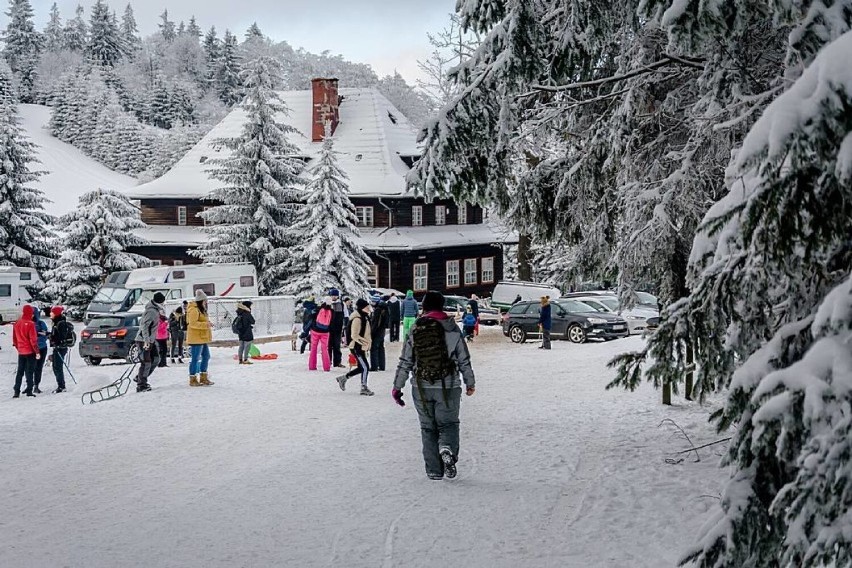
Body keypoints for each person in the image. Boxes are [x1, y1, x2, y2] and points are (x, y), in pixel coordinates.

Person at [392, 291, 475, 480]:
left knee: (427, 427)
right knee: (448, 424)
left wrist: (397, 387)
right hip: (448, 386)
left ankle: (433, 470)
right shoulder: (452, 328)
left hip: (421, 386)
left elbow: (406, 360)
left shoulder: (416, 328)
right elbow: (464, 359)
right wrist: (470, 382)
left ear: (425, 306)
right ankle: (446, 448)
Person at [335, 298, 374, 395]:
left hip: (360, 346)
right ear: (361, 308)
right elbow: (354, 335)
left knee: (362, 367)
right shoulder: (357, 319)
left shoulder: (364, 317)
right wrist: (365, 342)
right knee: (365, 367)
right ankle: (364, 387)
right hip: (357, 347)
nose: (369, 308)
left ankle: (343, 378)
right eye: (366, 307)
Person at [134, 292, 165, 392]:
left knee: (156, 359)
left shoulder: (156, 310)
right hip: (143, 340)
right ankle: (141, 385)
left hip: (151, 340)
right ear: (159, 302)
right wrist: (146, 341)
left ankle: (140, 377)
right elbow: (145, 326)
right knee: (146, 362)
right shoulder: (151, 311)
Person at [187, 289, 214, 387]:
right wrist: (205, 324)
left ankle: (203, 376)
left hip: (202, 337)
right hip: (196, 338)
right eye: (205, 300)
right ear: (201, 300)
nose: (206, 302)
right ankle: (192, 378)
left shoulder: (201, 310)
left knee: (206, 356)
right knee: (195, 358)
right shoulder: (194, 310)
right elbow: (192, 323)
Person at [12, 304, 40, 398]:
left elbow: (14, 339)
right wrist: (37, 352)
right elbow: (33, 340)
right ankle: (29, 390)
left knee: (20, 371)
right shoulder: (31, 324)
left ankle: (16, 390)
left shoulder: (17, 323)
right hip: (30, 352)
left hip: (21, 352)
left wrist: (19, 348)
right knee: (29, 371)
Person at [48, 306, 73, 393]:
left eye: (52, 313)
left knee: (58, 367)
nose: (50, 314)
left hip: (60, 348)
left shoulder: (60, 323)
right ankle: (60, 385)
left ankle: (61, 386)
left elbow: (61, 337)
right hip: (58, 347)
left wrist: (53, 339)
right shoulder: (57, 322)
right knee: (56, 366)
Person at [309, 297, 333, 371]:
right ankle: (326, 367)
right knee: (325, 349)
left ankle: (312, 366)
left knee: (313, 348)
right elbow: (332, 322)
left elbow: (311, 317)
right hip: (325, 332)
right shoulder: (331, 311)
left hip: (315, 331)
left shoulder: (318, 309)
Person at [32, 307, 50, 393]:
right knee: (32, 367)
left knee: (38, 367)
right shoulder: (30, 323)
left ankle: (36, 385)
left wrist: (35, 339)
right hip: (33, 348)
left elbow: (45, 335)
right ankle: (31, 384)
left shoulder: (40, 323)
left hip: (41, 348)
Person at [370, 295, 388, 371]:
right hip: (382, 331)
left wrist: (372, 332)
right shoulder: (385, 308)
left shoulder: (378, 310)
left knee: (374, 348)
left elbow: (376, 323)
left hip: (377, 331)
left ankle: (374, 366)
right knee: (381, 348)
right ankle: (382, 366)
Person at [327, 288, 345, 368]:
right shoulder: (327, 304)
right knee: (329, 345)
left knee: (337, 346)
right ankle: (328, 361)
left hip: (338, 328)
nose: (334, 297)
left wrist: (344, 327)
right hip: (328, 328)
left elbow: (345, 316)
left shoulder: (341, 304)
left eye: (335, 295)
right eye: (332, 295)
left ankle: (337, 362)